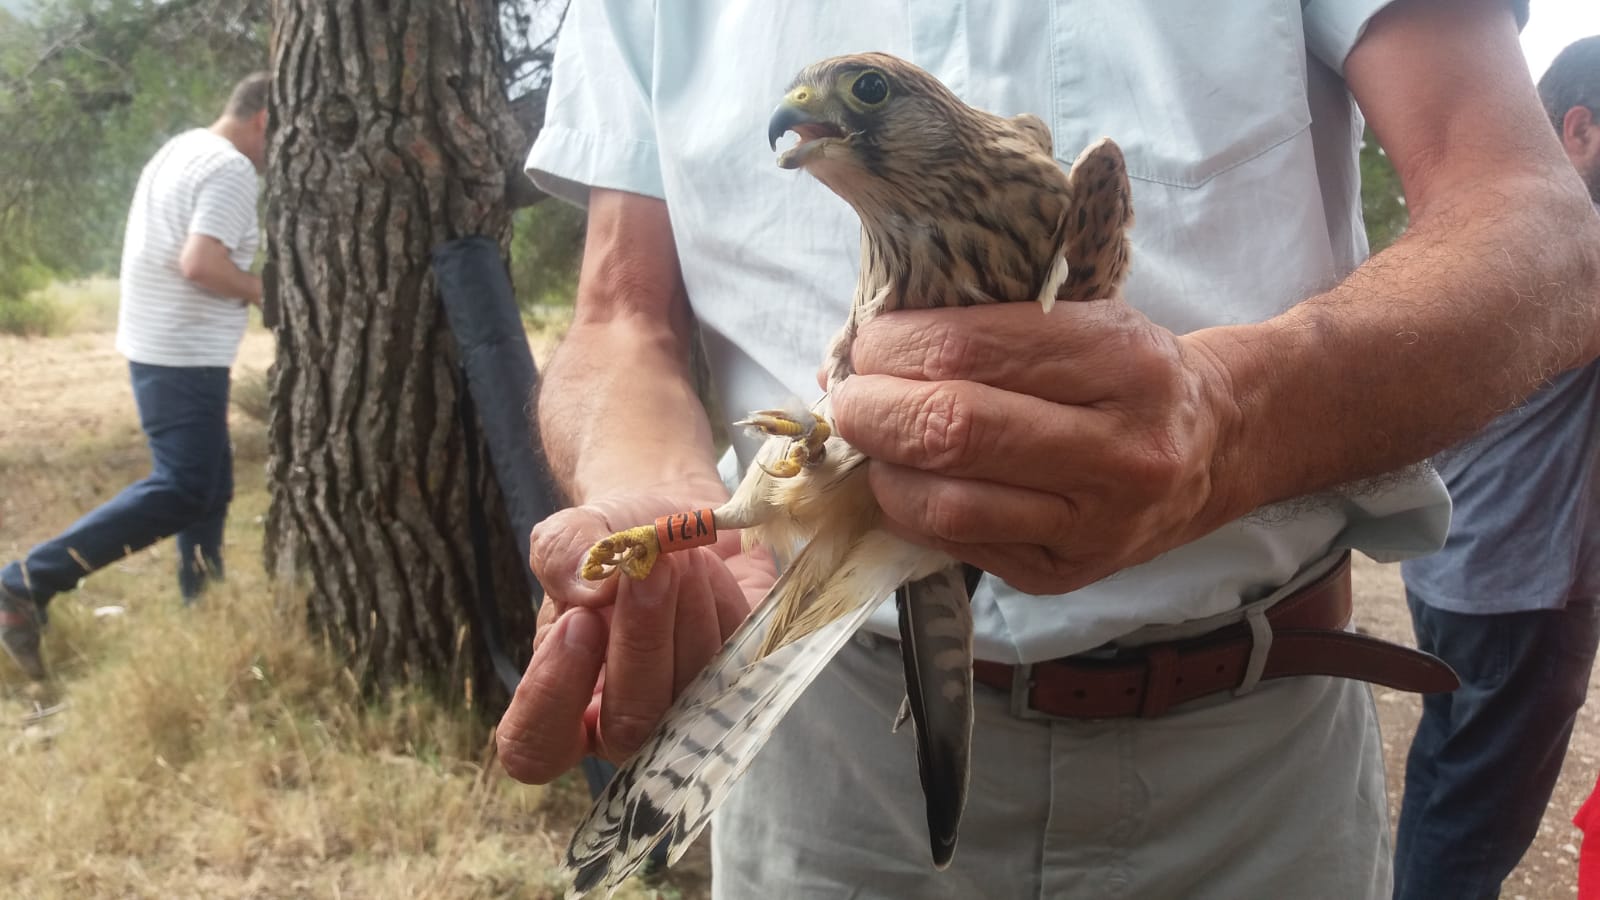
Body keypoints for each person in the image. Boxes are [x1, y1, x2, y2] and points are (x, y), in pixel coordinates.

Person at [497, 1, 1600, 896]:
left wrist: (1225, 420)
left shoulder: (1058, 193)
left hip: (1243, 761)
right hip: (824, 729)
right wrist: (663, 504)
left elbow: (1542, 232)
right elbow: (618, 319)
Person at [1392, 35, 1600, 900]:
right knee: (1476, 830)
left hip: (1452, 567)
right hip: (1526, 591)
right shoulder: (1579, 244)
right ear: (1581, 129)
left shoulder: (1469, 231)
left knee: (1445, 783)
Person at [0, 72, 269, 683]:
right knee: (183, 486)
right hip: (181, 351)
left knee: (211, 485)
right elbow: (200, 262)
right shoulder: (229, 168)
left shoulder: (183, 146)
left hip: (160, 345)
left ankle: (204, 606)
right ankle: (22, 584)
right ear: (263, 120)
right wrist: (268, 295)